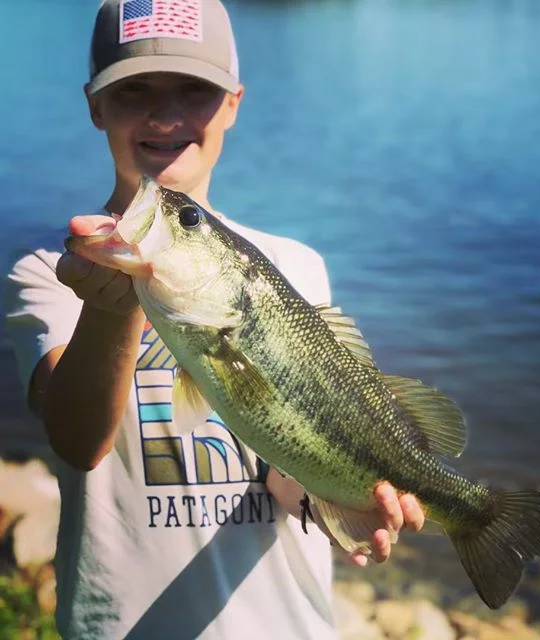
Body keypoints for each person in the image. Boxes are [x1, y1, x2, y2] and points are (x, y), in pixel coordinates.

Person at [4, 1, 424, 638]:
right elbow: (76, 441)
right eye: (133, 91)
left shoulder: (295, 267)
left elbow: (287, 470)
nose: (165, 116)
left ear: (233, 102)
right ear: (95, 106)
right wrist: (111, 309)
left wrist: (343, 504)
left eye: (194, 91)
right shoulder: (51, 272)